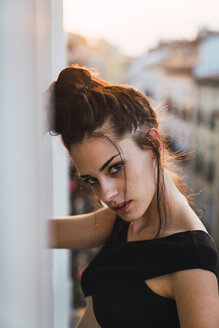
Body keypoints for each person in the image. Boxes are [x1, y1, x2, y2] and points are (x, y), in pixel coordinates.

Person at [47, 64, 219, 328]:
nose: (106, 194)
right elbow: (33, 234)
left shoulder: (194, 264)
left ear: (153, 144)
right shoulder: (126, 219)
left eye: (115, 168)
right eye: (92, 180)